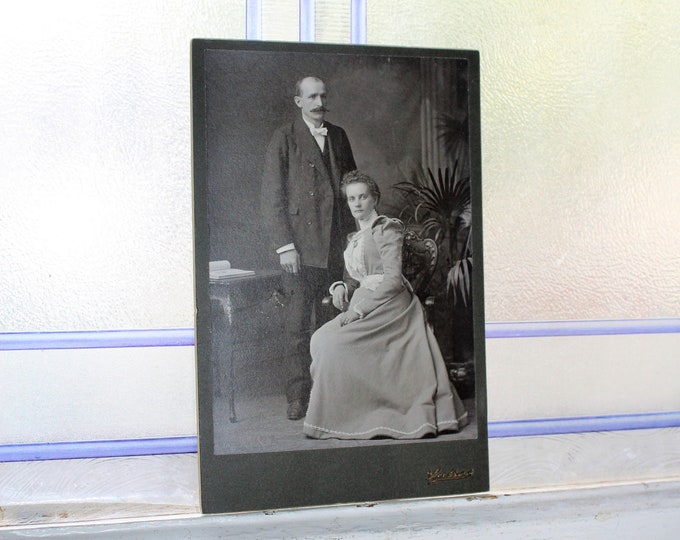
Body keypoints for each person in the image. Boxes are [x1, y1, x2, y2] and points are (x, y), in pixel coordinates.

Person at [303, 171, 468, 440]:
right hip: (362, 301)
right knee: (321, 339)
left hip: (390, 305)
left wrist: (358, 311)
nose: (357, 204)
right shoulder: (354, 237)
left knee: (335, 346)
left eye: (363, 197)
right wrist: (341, 287)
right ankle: (352, 411)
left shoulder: (386, 227)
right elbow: (355, 277)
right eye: (351, 199)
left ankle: (374, 413)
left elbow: (392, 280)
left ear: (374, 198)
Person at [261, 76, 356, 420]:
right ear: (298, 101)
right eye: (311, 96)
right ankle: (298, 396)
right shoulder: (284, 138)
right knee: (298, 326)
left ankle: (330, 393)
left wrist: (352, 239)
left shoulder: (339, 136)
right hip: (299, 248)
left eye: (323, 95)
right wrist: (285, 246)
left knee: (333, 322)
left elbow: (351, 189)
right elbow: (272, 198)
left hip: (334, 245)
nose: (319, 102)